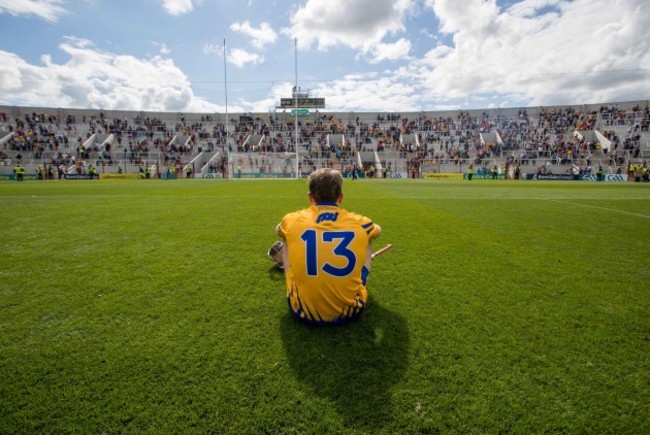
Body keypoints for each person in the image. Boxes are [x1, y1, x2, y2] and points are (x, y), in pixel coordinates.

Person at [271, 168, 382, 325]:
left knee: (286, 238)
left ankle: (291, 271)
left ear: (310, 198)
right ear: (340, 197)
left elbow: (278, 230)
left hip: (302, 311)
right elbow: (378, 230)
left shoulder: (291, 219)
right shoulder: (361, 222)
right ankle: (361, 279)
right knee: (368, 236)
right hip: (351, 312)